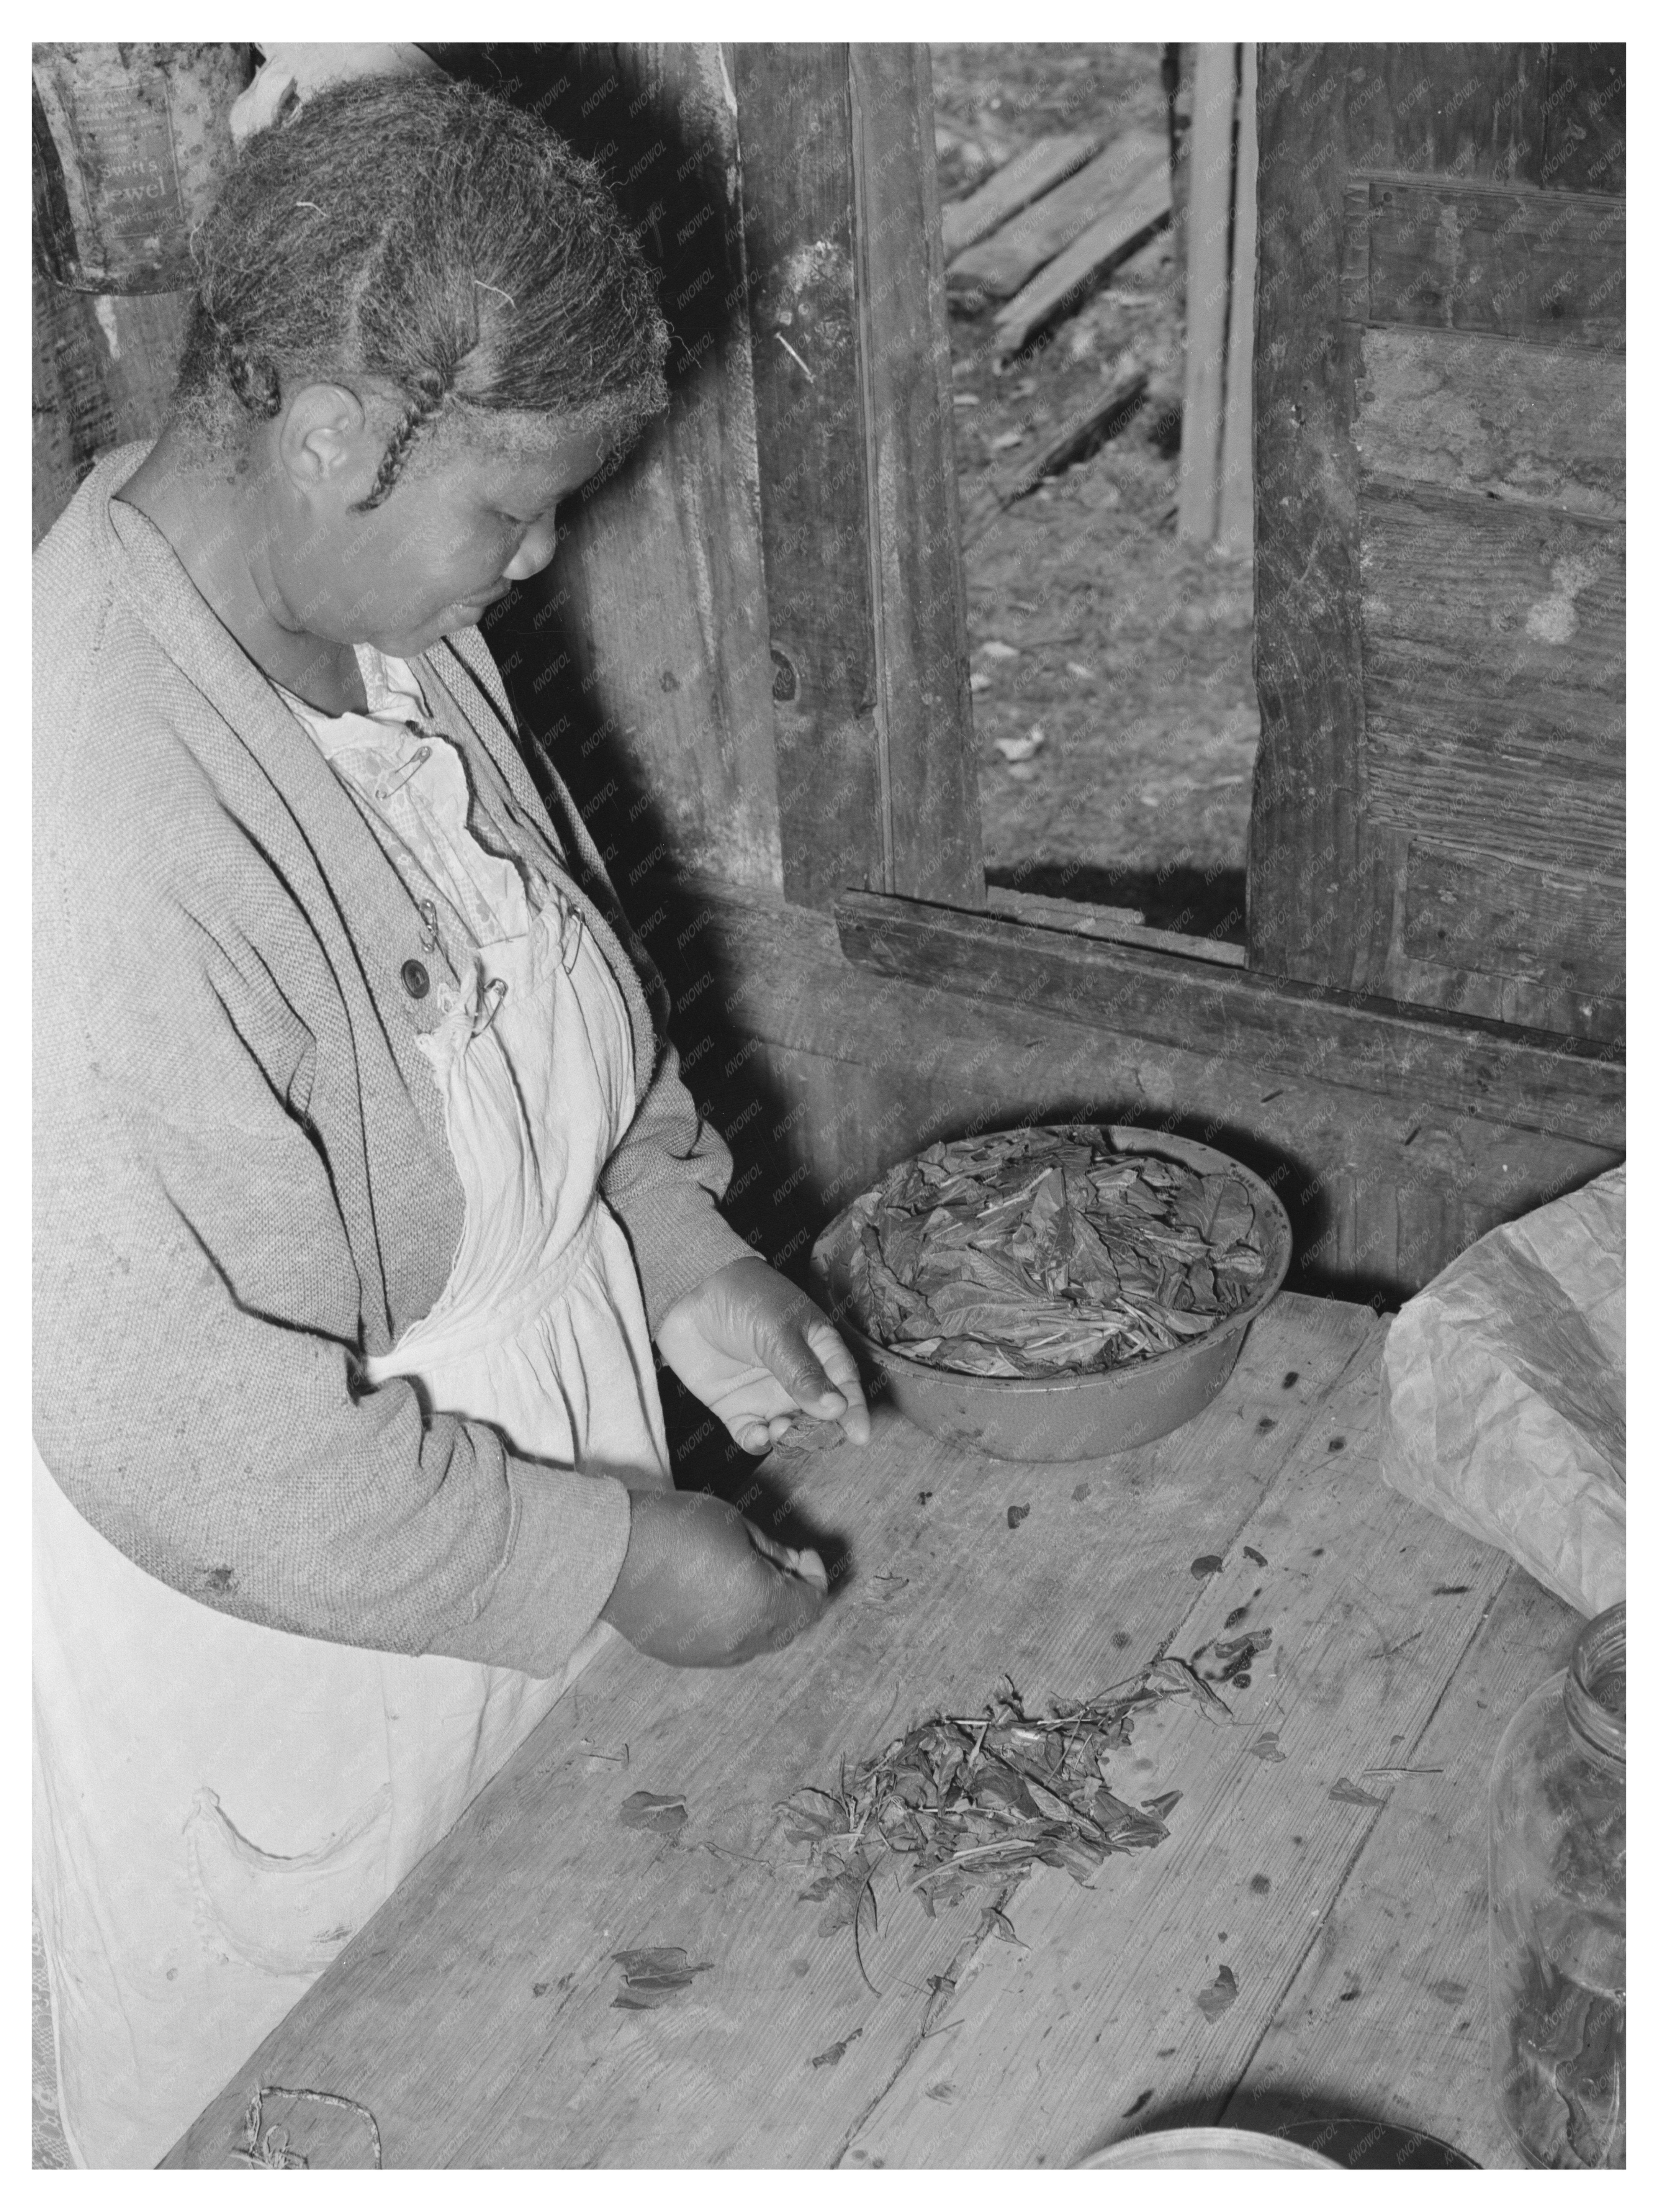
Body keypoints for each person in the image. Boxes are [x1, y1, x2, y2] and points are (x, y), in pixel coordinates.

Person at [32, 70, 869, 2168]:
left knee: (564, 2060)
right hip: (294, 1611)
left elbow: (548, 964)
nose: (537, 561)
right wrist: (593, 1550)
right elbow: (177, 1426)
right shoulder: (91, 801)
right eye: (510, 510)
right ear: (329, 429)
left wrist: (687, 1256)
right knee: (365, 2102)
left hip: (524, 1524)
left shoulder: (362, 611)